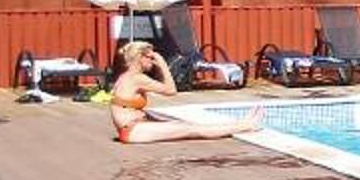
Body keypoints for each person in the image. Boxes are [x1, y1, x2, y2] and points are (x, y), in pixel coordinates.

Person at [109, 41, 262, 144]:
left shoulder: (126, 77)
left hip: (133, 127)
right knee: (191, 129)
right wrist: (162, 64)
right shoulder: (137, 78)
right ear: (140, 58)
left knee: (185, 125)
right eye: (150, 57)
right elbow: (171, 90)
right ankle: (245, 125)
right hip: (133, 130)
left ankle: (241, 123)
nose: (152, 61)